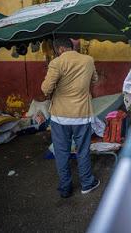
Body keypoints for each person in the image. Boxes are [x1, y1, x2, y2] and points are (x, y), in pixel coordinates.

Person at [41, 38, 100, 198]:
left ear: (59, 49)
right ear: (71, 46)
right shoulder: (88, 60)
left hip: (60, 116)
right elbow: (94, 79)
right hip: (82, 114)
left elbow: (46, 88)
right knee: (83, 151)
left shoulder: (57, 62)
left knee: (62, 152)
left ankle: (65, 189)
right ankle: (87, 184)